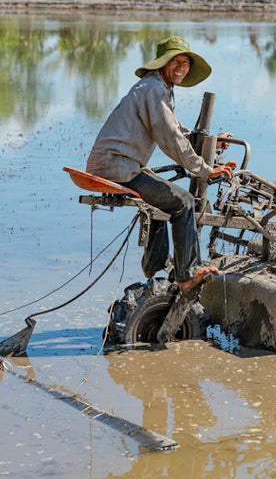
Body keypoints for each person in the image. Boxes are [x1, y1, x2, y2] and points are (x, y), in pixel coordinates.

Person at [86, 36, 235, 291]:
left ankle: (154, 263)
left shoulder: (155, 87)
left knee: (161, 194)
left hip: (116, 164)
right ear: (162, 63)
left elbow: (174, 129)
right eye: (175, 61)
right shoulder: (154, 89)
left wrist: (211, 141)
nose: (181, 67)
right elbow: (170, 138)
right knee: (184, 202)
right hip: (117, 165)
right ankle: (187, 275)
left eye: (185, 62)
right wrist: (206, 170)